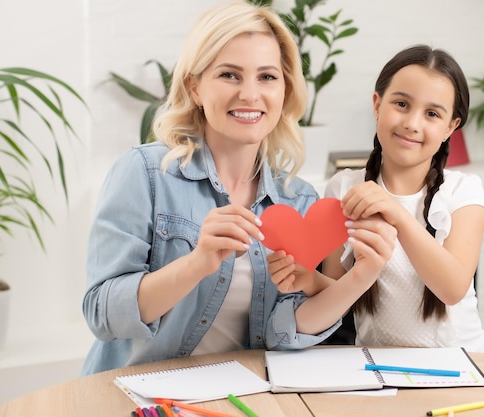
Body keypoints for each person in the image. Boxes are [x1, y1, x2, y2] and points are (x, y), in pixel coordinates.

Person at [81, 0, 362, 375]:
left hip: (244, 395)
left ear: (285, 90)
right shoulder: (145, 173)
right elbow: (102, 314)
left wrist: (342, 279)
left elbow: (286, 336)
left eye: (267, 77)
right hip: (143, 394)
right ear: (195, 87)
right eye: (229, 75)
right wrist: (197, 263)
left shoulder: (299, 201)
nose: (250, 94)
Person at [269, 45, 484, 355]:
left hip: (463, 361)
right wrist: (310, 281)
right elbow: (342, 297)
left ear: (451, 127)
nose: (412, 123)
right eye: (402, 104)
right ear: (377, 105)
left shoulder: (464, 191)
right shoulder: (343, 189)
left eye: (432, 113)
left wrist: (397, 214)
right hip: (379, 368)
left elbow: (453, 288)